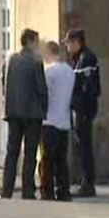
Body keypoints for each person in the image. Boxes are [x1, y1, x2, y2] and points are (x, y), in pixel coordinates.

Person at [0, 29, 48, 200]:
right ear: (30, 41)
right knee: (29, 154)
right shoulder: (35, 62)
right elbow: (41, 88)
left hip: (13, 112)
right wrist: (44, 109)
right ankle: (28, 190)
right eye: (36, 41)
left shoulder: (11, 59)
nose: (38, 45)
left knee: (11, 153)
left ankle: (6, 190)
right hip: (32, 114)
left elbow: (3, 83)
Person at [65, 29, 101, 198]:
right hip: (78, 109)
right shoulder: (78, 59)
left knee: (85, 147)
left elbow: (88, 88)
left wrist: (83, 109)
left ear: (77, 42)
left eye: (69, 43)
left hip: (83, 110)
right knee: (81, 146)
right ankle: (84, 181)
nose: (67, 46)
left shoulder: (86, 58)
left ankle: (88, 183)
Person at [39, 41, 75, 202]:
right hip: (64, 121)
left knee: (47, 160)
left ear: (47, 54)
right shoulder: (70, 71)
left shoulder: (49, 72)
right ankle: (64, 191)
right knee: (61, 159)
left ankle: (47, 192)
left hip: (49, 120)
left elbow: (44, 94)